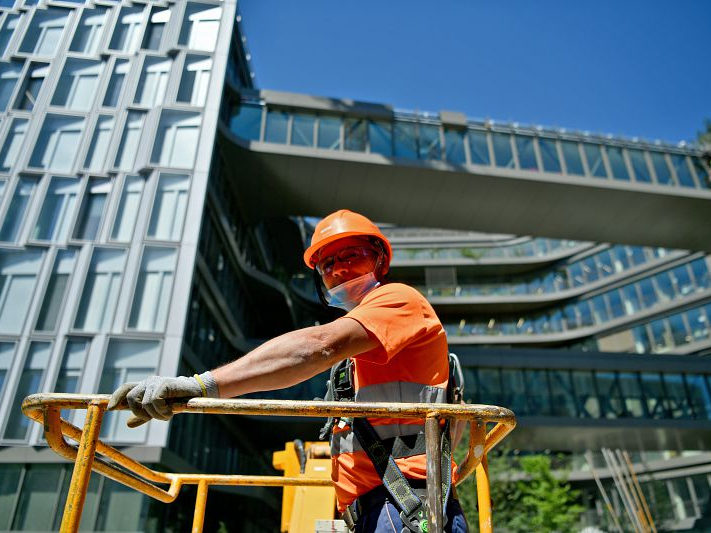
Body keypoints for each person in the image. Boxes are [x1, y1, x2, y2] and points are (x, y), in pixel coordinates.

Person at [108, 209, 468, 532]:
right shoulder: (360, 352)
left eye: (351, 255)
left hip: (404, 505)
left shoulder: (399, 300)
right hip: (383, 508)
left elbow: (317, 347)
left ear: (380, 261)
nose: (338, 269)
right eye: (327, 264)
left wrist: (201, 385)